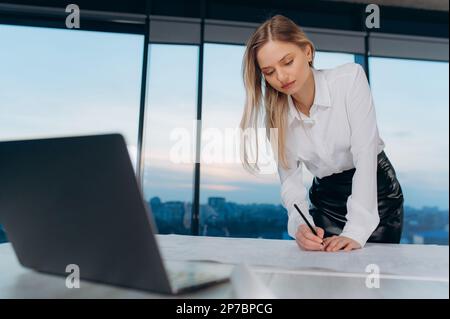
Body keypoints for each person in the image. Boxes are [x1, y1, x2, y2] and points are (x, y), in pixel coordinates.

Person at [239, 15, 404, 252]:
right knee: (325, 281)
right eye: (269, 71)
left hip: (376, 195)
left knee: (372, 277)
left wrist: (356, 231)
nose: (282, 77)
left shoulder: (350, 79)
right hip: (326, 201)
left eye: (287, 61)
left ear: (307, 52)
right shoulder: (277, 117)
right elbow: (290, 183)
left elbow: (365, 154)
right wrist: (299, 225)